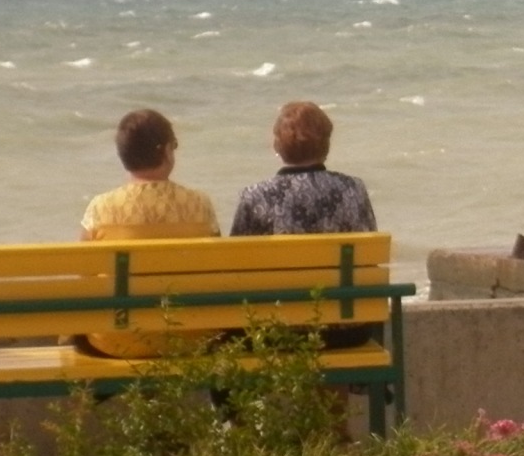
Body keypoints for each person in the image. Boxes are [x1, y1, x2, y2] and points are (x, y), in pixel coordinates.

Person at [231, 101, 383, 349]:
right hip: (349, 328)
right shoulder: (354, 189)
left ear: (278, 145)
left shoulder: (256, 196)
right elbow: (368, 258)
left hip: (279, 329)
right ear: (326, 144)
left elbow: (237, 268)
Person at [78, 108, 218, 358]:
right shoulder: (200, 205)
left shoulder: (100, 209)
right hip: (191, 337)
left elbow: (85, 277)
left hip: (116, 341)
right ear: (166, 151)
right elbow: (215, 270)